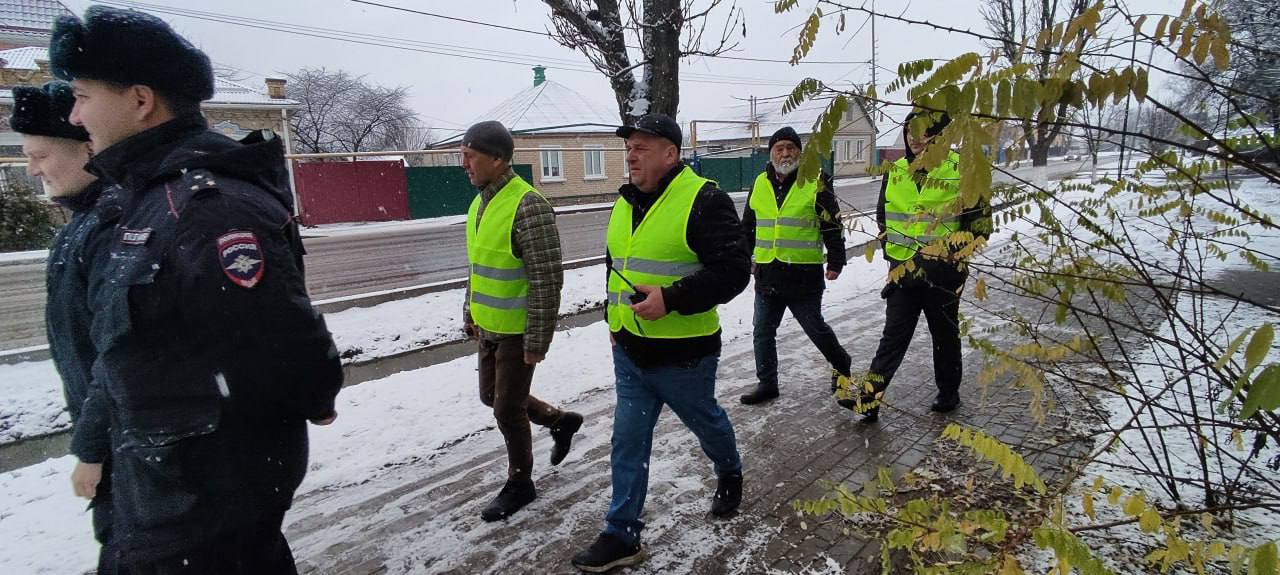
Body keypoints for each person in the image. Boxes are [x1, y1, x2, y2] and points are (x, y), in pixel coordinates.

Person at [50, 6, 344, 572]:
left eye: (83, 96)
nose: (74, 114)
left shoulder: (207, 208)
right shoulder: (140, 199)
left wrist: (316, 395)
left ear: (141, 100)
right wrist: (95, 445)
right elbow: (124, 347)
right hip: (159, 488)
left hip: (205, 498)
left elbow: (281, 338)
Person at [572, 114, 750, 572]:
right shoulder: (625, 202)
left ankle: (729, 470)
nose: (631, 156)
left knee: (706, 422)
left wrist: (671, 299)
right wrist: (613, 321)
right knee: (627, 442)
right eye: (628, 148)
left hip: (684, 357)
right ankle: (622, 533)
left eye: (642, 148)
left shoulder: (704, 199)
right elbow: (615, 265)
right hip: (631, 352)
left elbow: (734, 272)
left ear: (671, 153)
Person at [12, 80, 120, 573]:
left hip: (135, 448)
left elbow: (122, 352)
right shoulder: (82, 224)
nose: (32, 170)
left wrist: (93, 449)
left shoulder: (113, 226)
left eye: (40, 155)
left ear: (88, 148)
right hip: (125, 444)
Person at [460, 120, 584, 522]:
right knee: (490, 396)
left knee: (506, 409)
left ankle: (520, 483)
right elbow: (478, 266)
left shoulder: (528, 205)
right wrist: (470, 310)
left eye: (470, 156)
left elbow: (547, 278)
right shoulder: (480, 204)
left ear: (498, 159)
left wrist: (537, 340)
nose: (464, 164)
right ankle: (559, 421)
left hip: (517, 328)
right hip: (489, 326)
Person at [850, 110, 991, 421]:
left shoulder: (962, 170)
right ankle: (869, 399)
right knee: (893, 337)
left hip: (943, 275)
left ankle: (949, 392)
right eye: (910, 131)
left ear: (941, 136)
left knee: (944, 335)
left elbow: (980, 227)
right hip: (904, 274)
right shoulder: (895, 171)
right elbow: (884, 219)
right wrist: (893, 259)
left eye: (924, 132)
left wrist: (951, 259)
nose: (915, 138)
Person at [739, 126, 852, 405]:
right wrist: (741, 258)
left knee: (815, 328)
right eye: (779, 148)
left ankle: (841, 364)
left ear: (800, 153)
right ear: (771, 154)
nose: (785, 153)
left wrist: (836, 260)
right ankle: (767, 383)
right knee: (762, 331)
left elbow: (831, 224)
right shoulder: (759, 183)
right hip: (768, 272)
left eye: (791, 148)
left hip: (803, 274)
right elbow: (748, 226)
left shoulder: (816, 180)